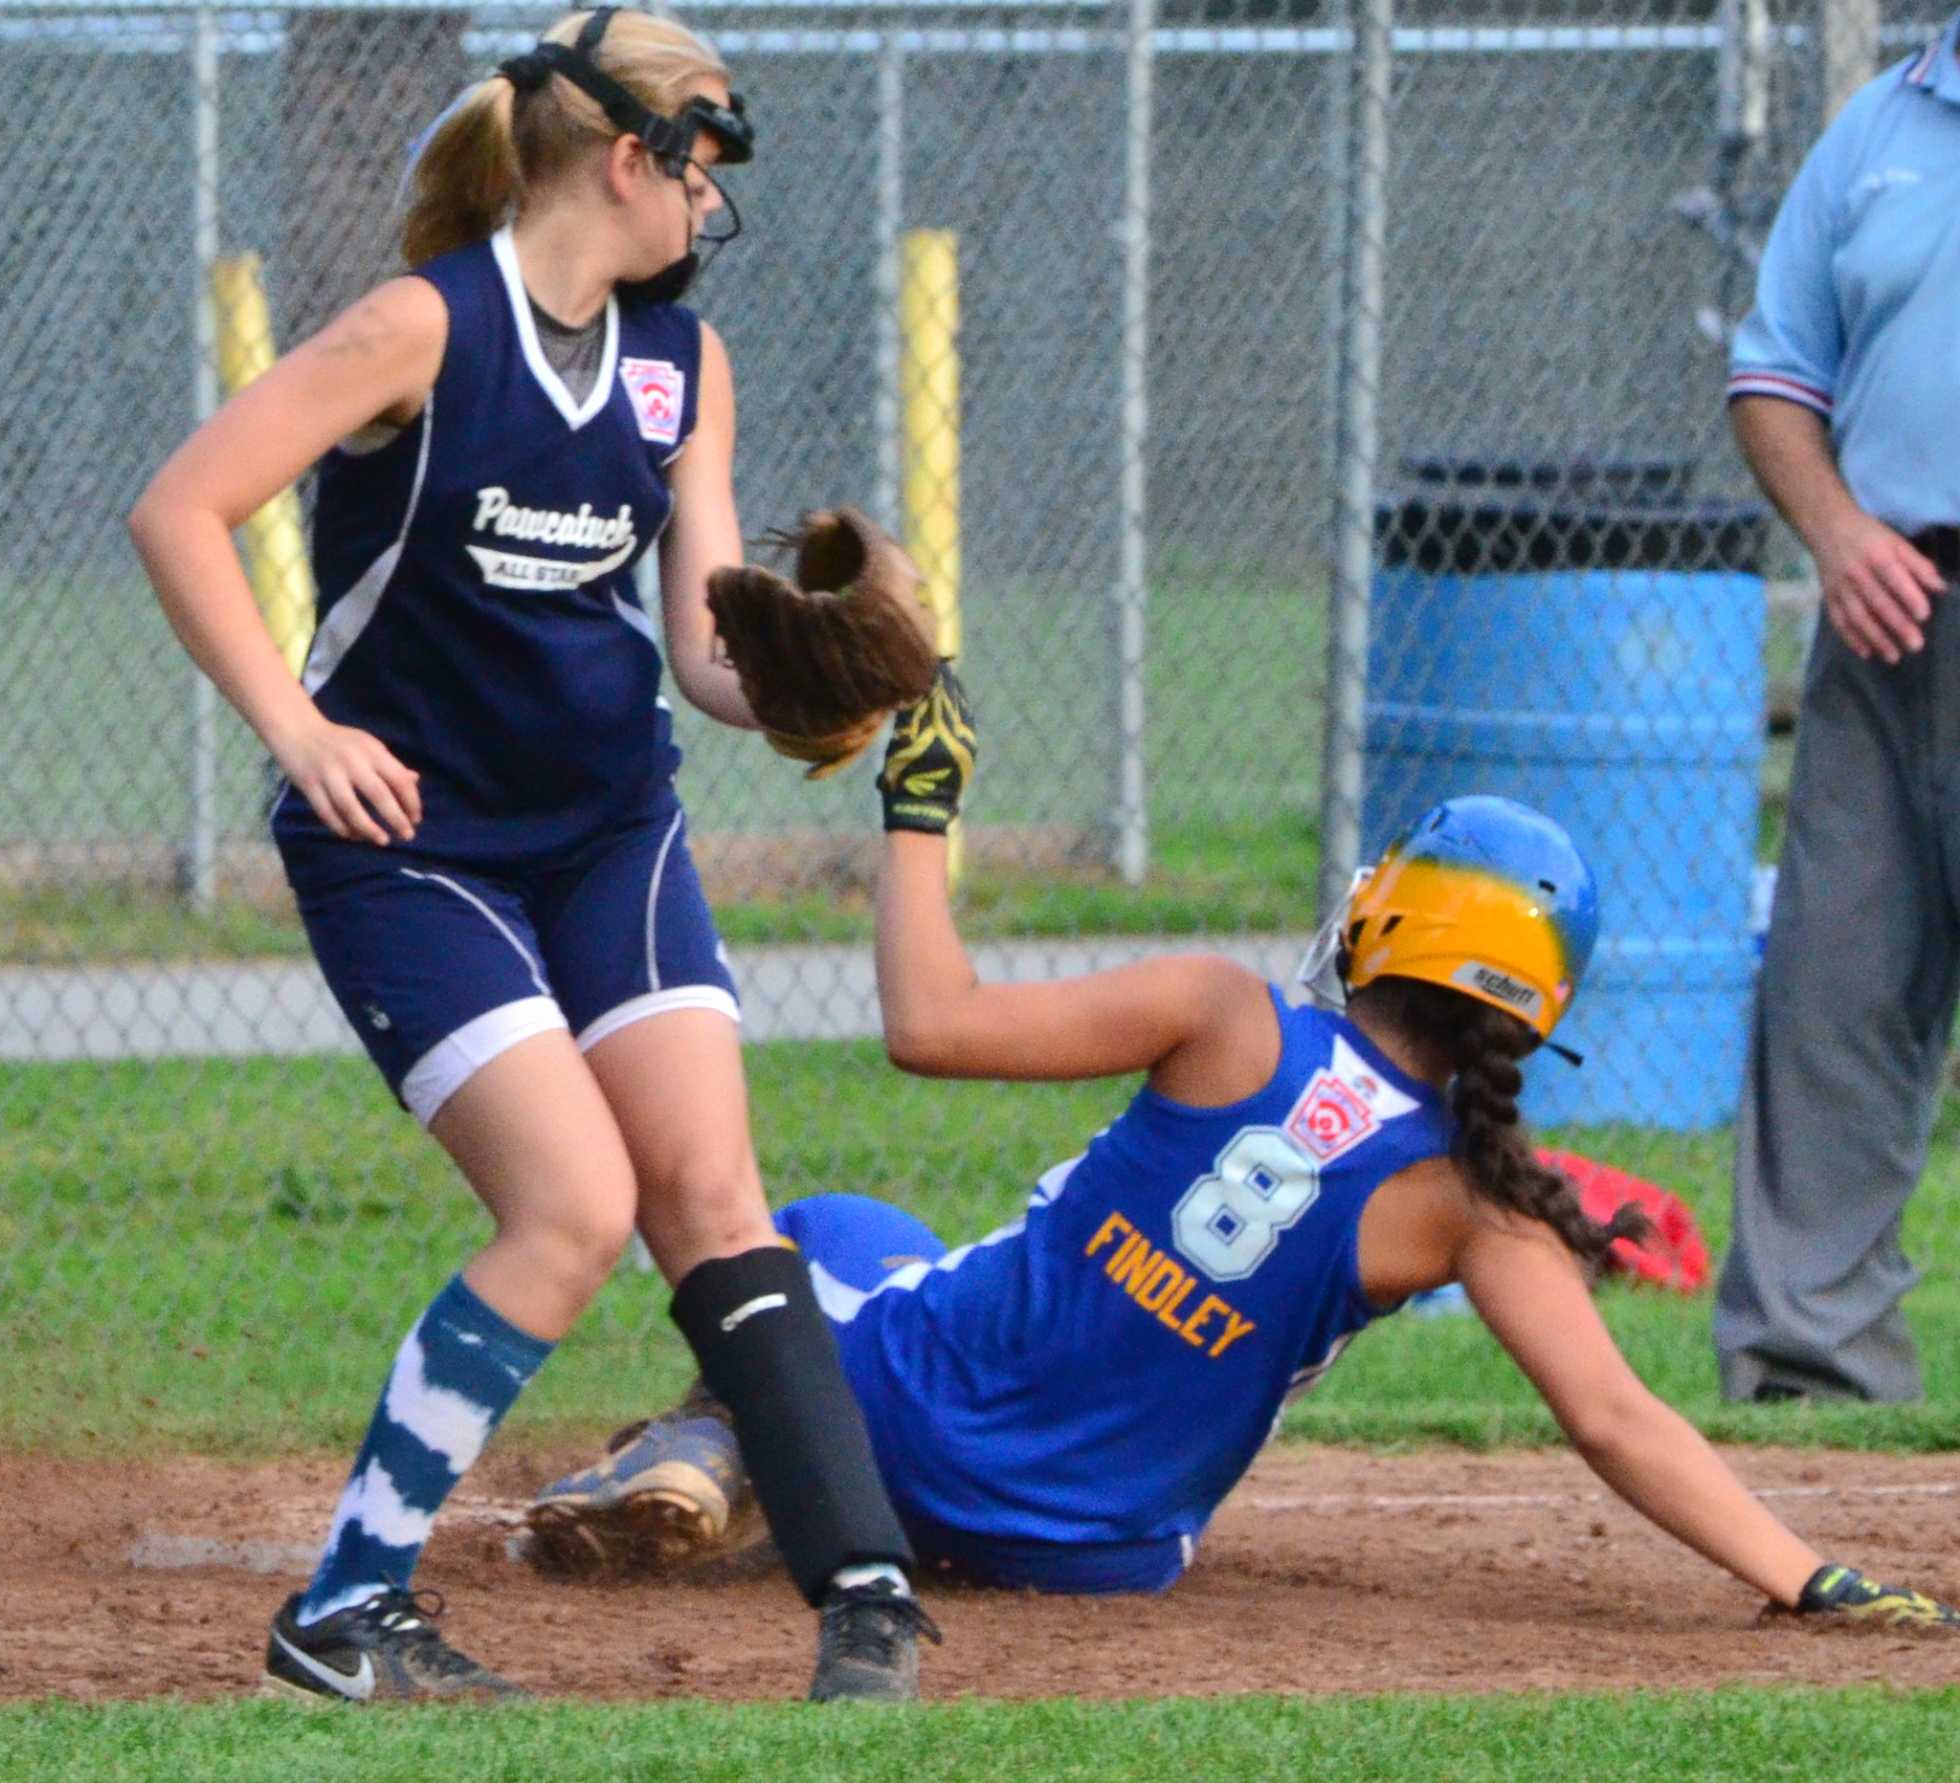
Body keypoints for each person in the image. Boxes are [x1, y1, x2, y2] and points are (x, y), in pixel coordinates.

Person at [127, 8, 936, 1703]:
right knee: (571, 1208)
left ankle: (867, 1598)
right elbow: (181, 507)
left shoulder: (682, 366)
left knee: (711, 1192)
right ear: (629, 159)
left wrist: (816, 683)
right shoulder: (424, 326)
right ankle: (342, 1617)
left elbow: (705, 650)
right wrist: (300, 729)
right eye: (704, 159)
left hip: (608, 834)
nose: (713, 199)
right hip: (415, 847)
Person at [524, 676, 1958, 1627]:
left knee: (836, 1231)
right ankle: (744, 1460)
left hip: (898, 1423)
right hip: (1095, 1556)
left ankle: (715, 1441)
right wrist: (1807, 1575)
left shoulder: (1225, 1013)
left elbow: (927, 1022)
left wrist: (919, 812)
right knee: (917, 1284)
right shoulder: (1475, 1205)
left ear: (1384, 921)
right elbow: (1617, 1420)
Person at [1714, 22, 1960, 1404]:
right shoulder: (1877, 130)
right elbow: (1776, 376)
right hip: (1887, 621)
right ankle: (1813, 1377)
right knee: (1835, 996)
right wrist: (1839, 533)